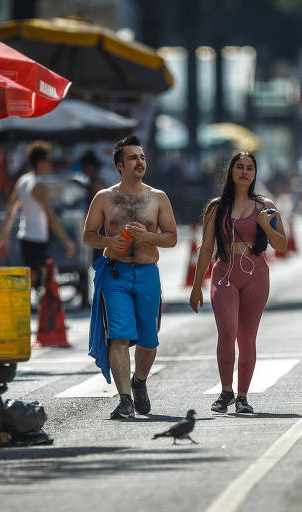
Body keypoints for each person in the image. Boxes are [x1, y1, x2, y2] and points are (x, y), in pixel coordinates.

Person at [83, 135, 177, 419]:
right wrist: (110, 241)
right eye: (134, 158)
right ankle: (124, 399)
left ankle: (139, 382)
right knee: (119, 337)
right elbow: (88, 236)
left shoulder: (158, 197)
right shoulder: (104, 198)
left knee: (149, 340)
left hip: (147, 273)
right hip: (116, 275)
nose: (140, 162)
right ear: (119, 166)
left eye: (143, 157)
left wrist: (148, 236)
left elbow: (172, 237)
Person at [189, 151, 287, 415]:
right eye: (239, 167)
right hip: (224, 273)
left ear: (255, 174)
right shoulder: (215, 207)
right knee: (227, 331)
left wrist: (266, 226)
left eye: (249, 168)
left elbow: (282, 244)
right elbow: (206, 247)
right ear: (231, 171)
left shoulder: (265, 205)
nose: (244, 171)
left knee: (247, 337)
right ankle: (226, 391)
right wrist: (197, 285)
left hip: (256, 274)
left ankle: (243, 397)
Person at [0, 141, 76, 289]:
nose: (50, 163)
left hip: (26, 236)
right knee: (40, 276)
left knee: (38, 274)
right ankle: (31, 307)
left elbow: (10, 211)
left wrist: (4, 239)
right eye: (48, 160)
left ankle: (34, 305)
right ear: (40, 162)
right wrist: (67, 241)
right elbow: (51, 217)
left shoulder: (23, 181)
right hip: (37, 237)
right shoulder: (40, 186)